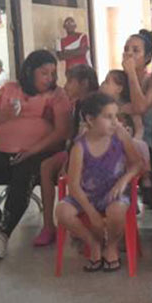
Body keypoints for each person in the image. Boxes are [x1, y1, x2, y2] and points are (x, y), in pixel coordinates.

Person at [0, 50, 72, 259]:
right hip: (1, 152)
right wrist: (7, 115)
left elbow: (62, 132)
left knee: (23, 175)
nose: (50, 78)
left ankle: (3, 236)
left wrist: (32, 150)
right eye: (44, 73)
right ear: (30, 72)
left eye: (52, 73)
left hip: (38, 154)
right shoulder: (8, 89)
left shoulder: (57, 95)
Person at [54, 92, 143, 272]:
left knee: (117, 210)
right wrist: (91, 212)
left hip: (113, 193)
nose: (115, 122)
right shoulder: (80, 146)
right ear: (90, 119)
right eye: (108, 117)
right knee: (62, 211)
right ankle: (93, 243)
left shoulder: (120, 137)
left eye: (116, 116)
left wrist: (123, 180)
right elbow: (74, 185)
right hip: (86, 195)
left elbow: (137, 163)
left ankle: (111, 246)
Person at [33, 64, 99, 247]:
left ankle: (80, 220)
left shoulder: (95, 105)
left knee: (70, 172)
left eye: (70, 81)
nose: (66, 85)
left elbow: (88, 140)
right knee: (46, 166)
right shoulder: (77, 104)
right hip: (73, 151)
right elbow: (72, 136)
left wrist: (70, 161)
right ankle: (48, 226)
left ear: (84, 83)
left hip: (90, 155)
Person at [120, 30, 152, 150]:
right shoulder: (117, 78)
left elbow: (140, 108)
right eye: (126, 49)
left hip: (142, 144)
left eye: (135, 51)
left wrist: (131, 73)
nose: (129, 54)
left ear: (147, 57)